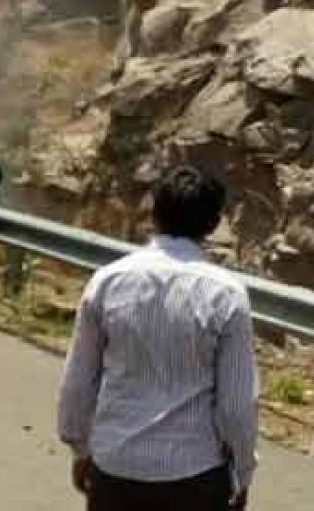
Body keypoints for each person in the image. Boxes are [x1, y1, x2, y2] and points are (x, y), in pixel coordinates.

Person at [58, 165, 258, 511]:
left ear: (154, 214)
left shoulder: (108, 281)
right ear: (212, 225)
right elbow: (237, 405)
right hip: (194, 475)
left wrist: (80, 448)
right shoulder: (227, 294)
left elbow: (78, 380)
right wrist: (242, 472)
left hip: (115, 467)